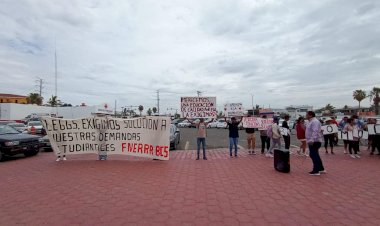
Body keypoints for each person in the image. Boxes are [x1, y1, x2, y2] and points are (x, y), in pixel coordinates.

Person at [305, 111, 325, 176]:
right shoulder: (310, 121)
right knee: (315, 154)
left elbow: (315, 131)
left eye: (307, 115)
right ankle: (321, 168)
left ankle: (316, 170)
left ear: (310, 115)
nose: (306, 116)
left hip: (314, 141)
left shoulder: (314, 121)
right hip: (312, 141)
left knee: (313, 155)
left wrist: (312, 140)